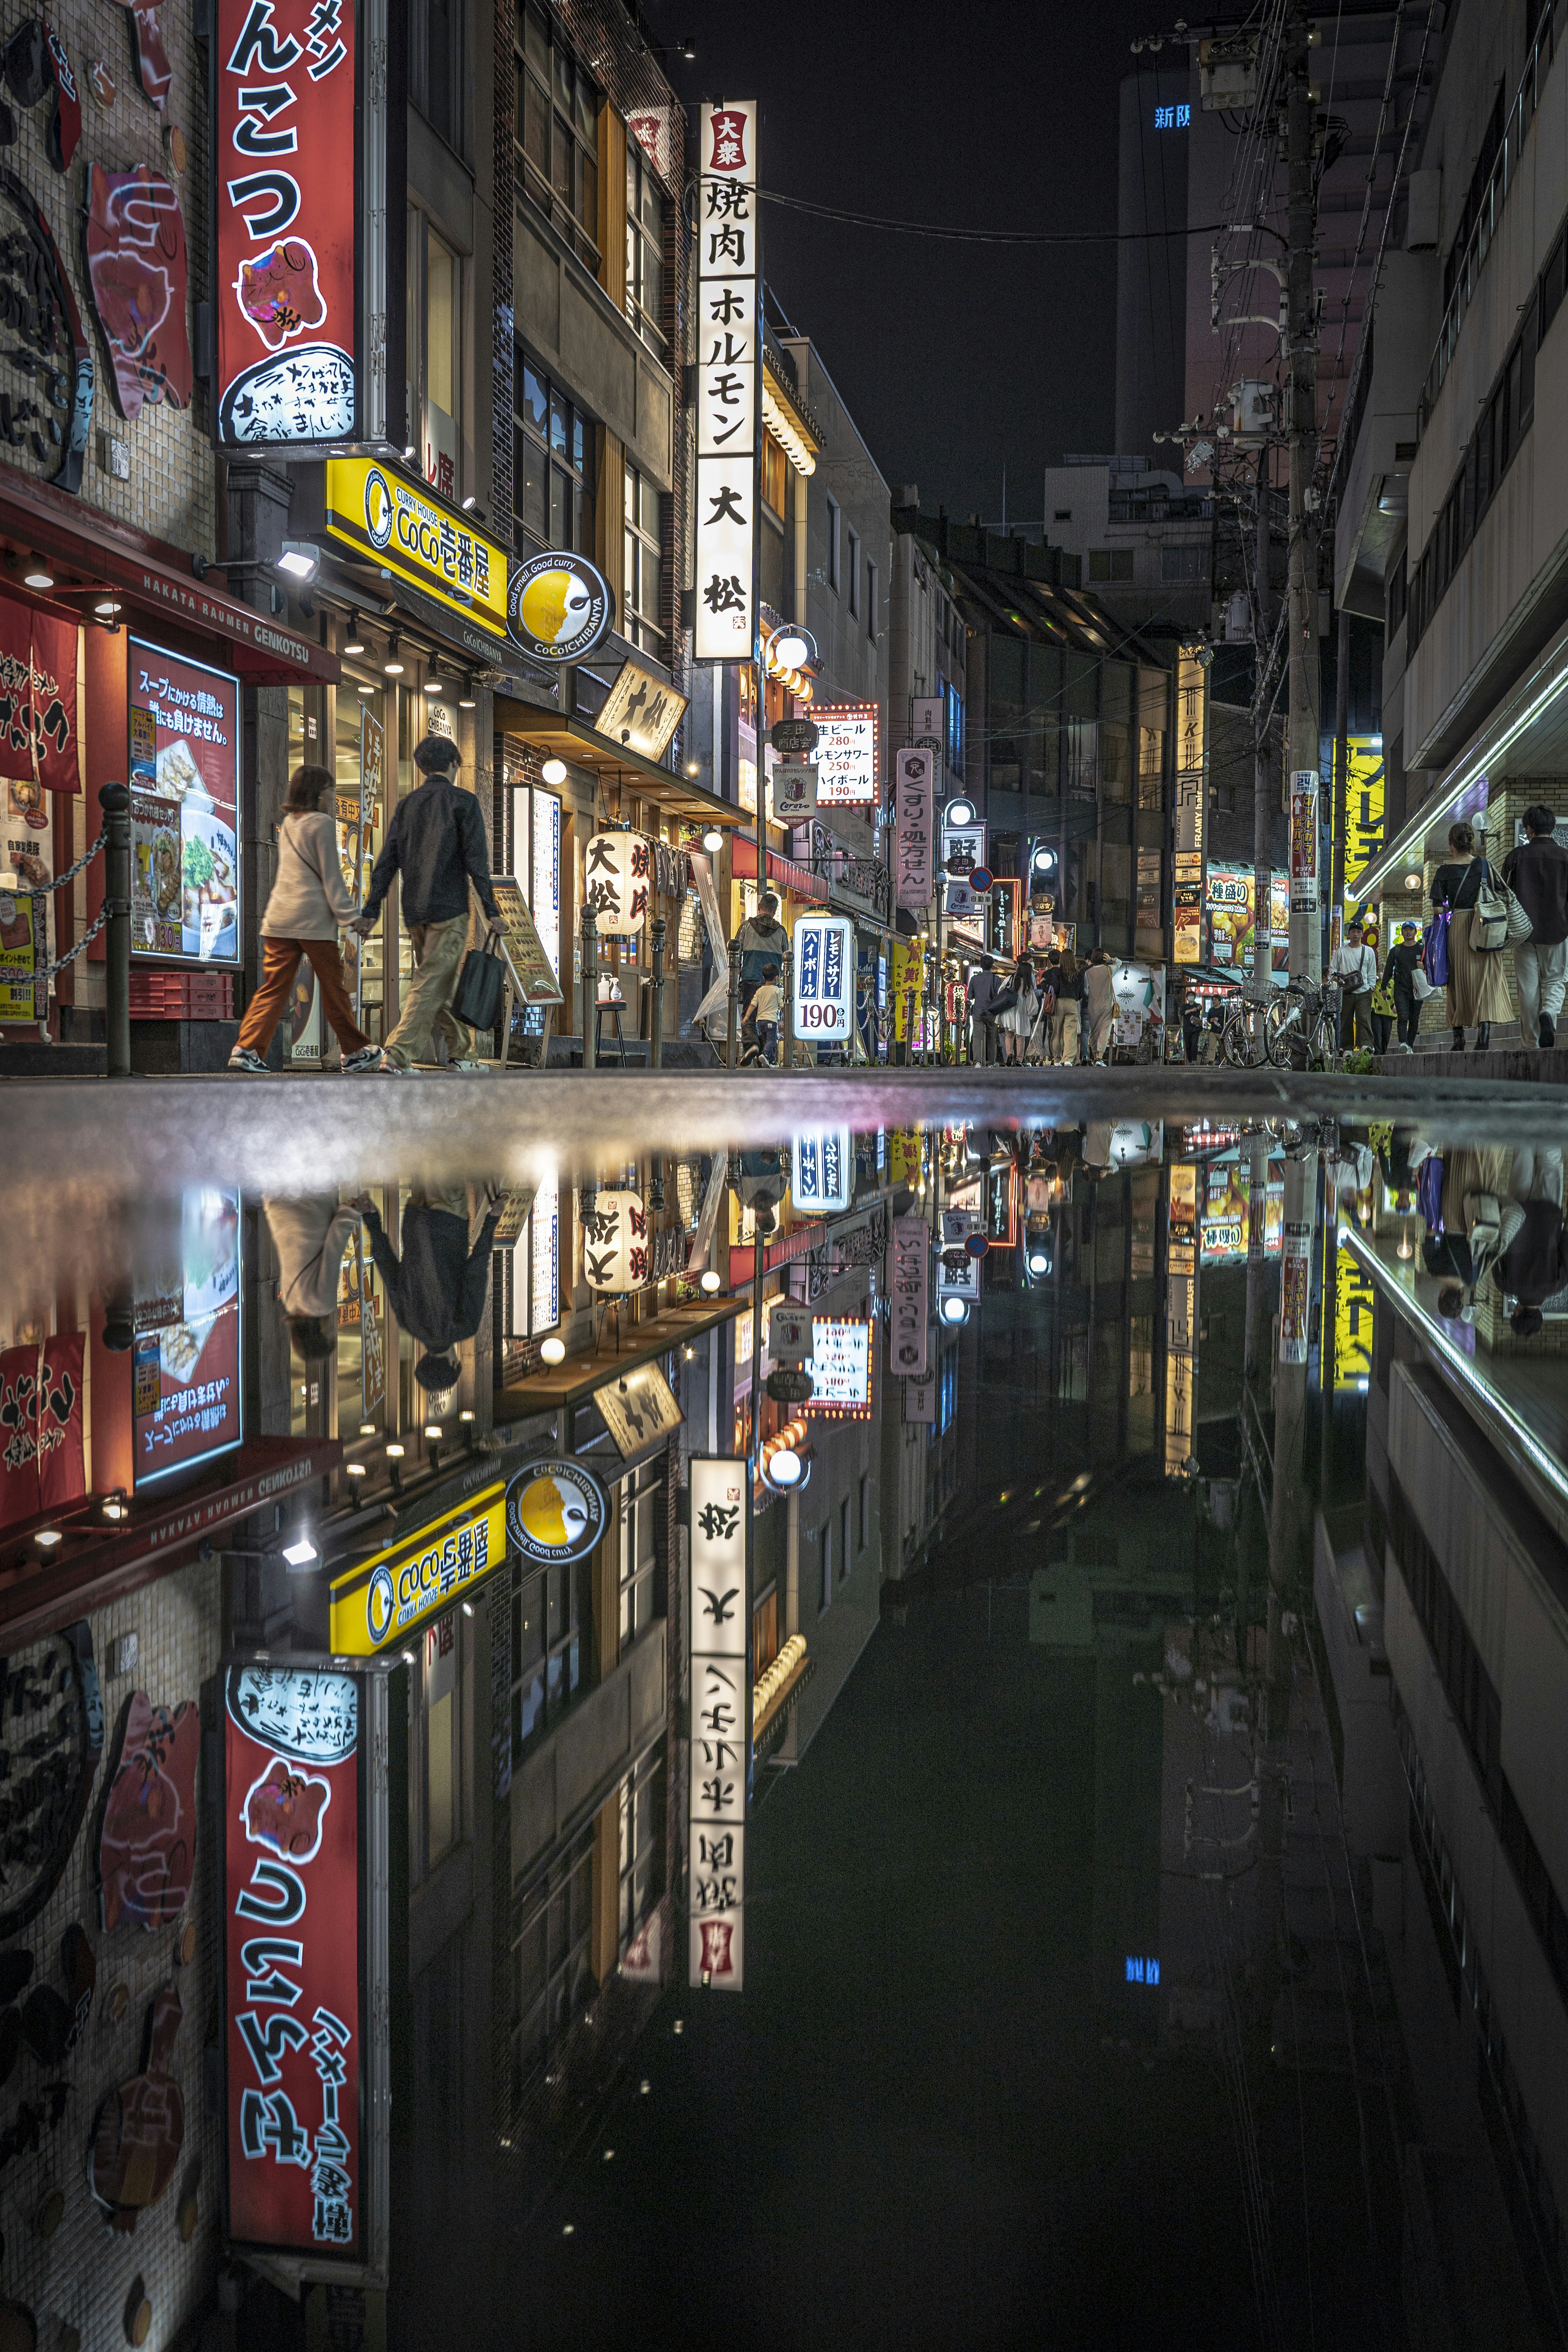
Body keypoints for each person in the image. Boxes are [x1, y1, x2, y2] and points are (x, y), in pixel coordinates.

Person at [352, 735, 502, 1073]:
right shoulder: (463, 802)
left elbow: (387, 862)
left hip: (415, 911)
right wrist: (491, 911)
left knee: (439, 983)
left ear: (421, 768)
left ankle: (463, 1055)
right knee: (431, 982)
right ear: (453, 764)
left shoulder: (408, 806)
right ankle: (398, 1055)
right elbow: (477, 862)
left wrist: (371, 910)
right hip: (449, 911)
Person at [229, 765, 379, 1074]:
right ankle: (354, 1052)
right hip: (312, 922)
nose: (334, 797)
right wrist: (353, 918)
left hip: (279, 919)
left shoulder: (289, 824)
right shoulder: (322, 824)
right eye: (331, 790)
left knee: (273, 989)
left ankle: (246, 1049)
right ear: (318, 794)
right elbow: (332, 878)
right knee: (334, 989)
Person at [357, 1180, 505, 1393]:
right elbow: (388, 1269)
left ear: (454, 1363)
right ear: (425, 1357)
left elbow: (477, 1270)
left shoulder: (464, 1327)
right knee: (423, 1156)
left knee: (441, 1154)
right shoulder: (407, 1323)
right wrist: (372, 1220)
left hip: (449, 1221)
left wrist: (492, 1220)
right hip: (414, 1221)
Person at [1429, 819, 1512, 1050]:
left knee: (1457, 980)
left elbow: (1437, 909)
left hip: (1459, 924)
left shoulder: (1444, 871)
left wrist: (1450, 906)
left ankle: (1459, 1038)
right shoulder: (1485, 866)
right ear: (1472, 842)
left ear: (1451, 844)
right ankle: (1484, 1036)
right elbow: (1503, 894)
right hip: (1485, 925)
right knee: (1486, 979)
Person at [263, 1193, 365, 1359]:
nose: (335, 1329)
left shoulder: (322, 1305)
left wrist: (355, 1212)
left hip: (309, 1201)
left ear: (320, 1334)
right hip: (277, 1204)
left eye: (332, 1335)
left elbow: (336, 1243)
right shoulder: (290, 1304)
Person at [1501, 803, 1568, 1046]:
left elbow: (1504, 894)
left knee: (1528, 987)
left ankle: (1532, 1043)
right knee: (1555, 980)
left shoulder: (1517, 856)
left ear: (1528, 829)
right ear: (1552, 827)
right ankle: (1549, 1013)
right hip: (1557, 931)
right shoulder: (1565, 857)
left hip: (1523, 933)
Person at [1491, 1144, 1568, 1336]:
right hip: (1517, 1211)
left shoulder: (1557, 1285)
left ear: (1539, 1314)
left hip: (1549, 1213)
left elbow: (1566, 1245)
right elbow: (1494, 1247)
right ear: (1517, 1312)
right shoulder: (1505, 1284)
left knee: (1550, 1161)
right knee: (1524, 1151)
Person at [1330, 922, 1379, 1049]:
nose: (1356, 934)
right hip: (1346, 992)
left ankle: (1366, 1046)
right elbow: (1332, 970)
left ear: (1362, 934)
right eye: (1353, 932)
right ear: (1349, 934)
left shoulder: (1369, 951)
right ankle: (1347, 1048)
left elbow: (1372, 971)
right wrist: (1336, 978)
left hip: (1364, 991)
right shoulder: (1341, 952)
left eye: (1358, 932)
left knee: (1364, 1018)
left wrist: (1371, 987)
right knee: (1346, 1020)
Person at [1381, 921, 1425, 1051]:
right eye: (1406, 930)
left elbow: (1431, 967)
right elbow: (1389, 969)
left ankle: (1410, 1046)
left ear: (1416, 932)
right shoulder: (1396, 950)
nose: (1408, 932)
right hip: (1400, 989)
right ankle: (1403, 1044)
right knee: (1403, 1017)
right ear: (1402, 932)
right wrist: (1384, 987)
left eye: (1411, 929)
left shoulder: (1422, 949)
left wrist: (1424, 966)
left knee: (1414, 1019)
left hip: (1417, 989)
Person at [743, 963, 782, 1064]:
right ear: (777, 978)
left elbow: (753, 1004)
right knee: (772, 1041)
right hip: (771, 1021)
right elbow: (783, 1006)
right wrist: (787, 1018)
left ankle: (771, 1061)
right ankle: (765, 1055)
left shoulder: (760, 990)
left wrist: (747, 1016)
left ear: (764, 977)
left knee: (766, 1041)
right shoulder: (777, 991)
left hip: (760, 1022)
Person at [1049, 951, 1082, 1065]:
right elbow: (1081, 993)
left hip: (1059, 1002)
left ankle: (1057, 1060)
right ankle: (1068, 1059)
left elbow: (1056, 989)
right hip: (1072, 1003)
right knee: (1071, 1033)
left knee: (1057, 1032)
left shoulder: (1058, 972)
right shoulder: (1078, 974)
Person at [1083, 950, 1117, 1064]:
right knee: (1104, 1031)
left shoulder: (1088, 973)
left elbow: (1086, 990)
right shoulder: (1110, 969)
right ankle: (1100, 1058)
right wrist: (1111, 959)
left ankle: (1094, 1056)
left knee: (1094, 1031)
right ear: (1104, 958)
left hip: (1093, 1006)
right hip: (1107, 1005)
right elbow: (1120, 963)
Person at [967, 957, 998, 1064]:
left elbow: (970, 996)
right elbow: (998, 996)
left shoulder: (974, 979)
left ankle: (977, 1062)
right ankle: (992, 1062)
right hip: (992, 1012)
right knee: (992, 1039)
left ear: (980, 965)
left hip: (978, 1011)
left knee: (977, 1037)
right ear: (992, 965)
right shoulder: (996, 979)